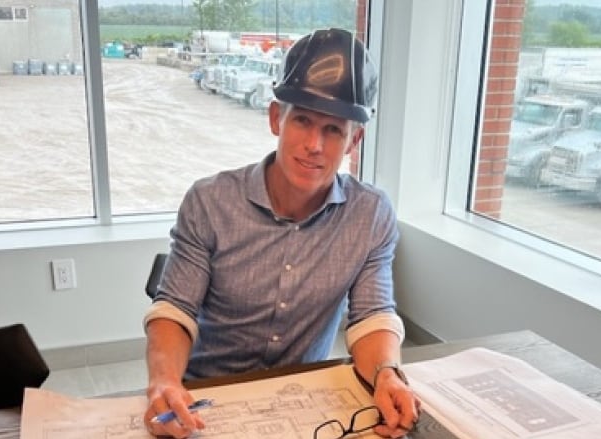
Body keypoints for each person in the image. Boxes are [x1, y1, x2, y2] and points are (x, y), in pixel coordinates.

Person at [143, 28, 419, 439]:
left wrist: (386, 373)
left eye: (333, 131)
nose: (314, 145)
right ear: (276, 118)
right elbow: (174, 310)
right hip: (206, 400)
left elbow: (372, 315)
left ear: (353, 140)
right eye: (303, 121)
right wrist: (164, 381)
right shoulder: (209, 202)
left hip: (303, 401)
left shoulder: (371, 214)